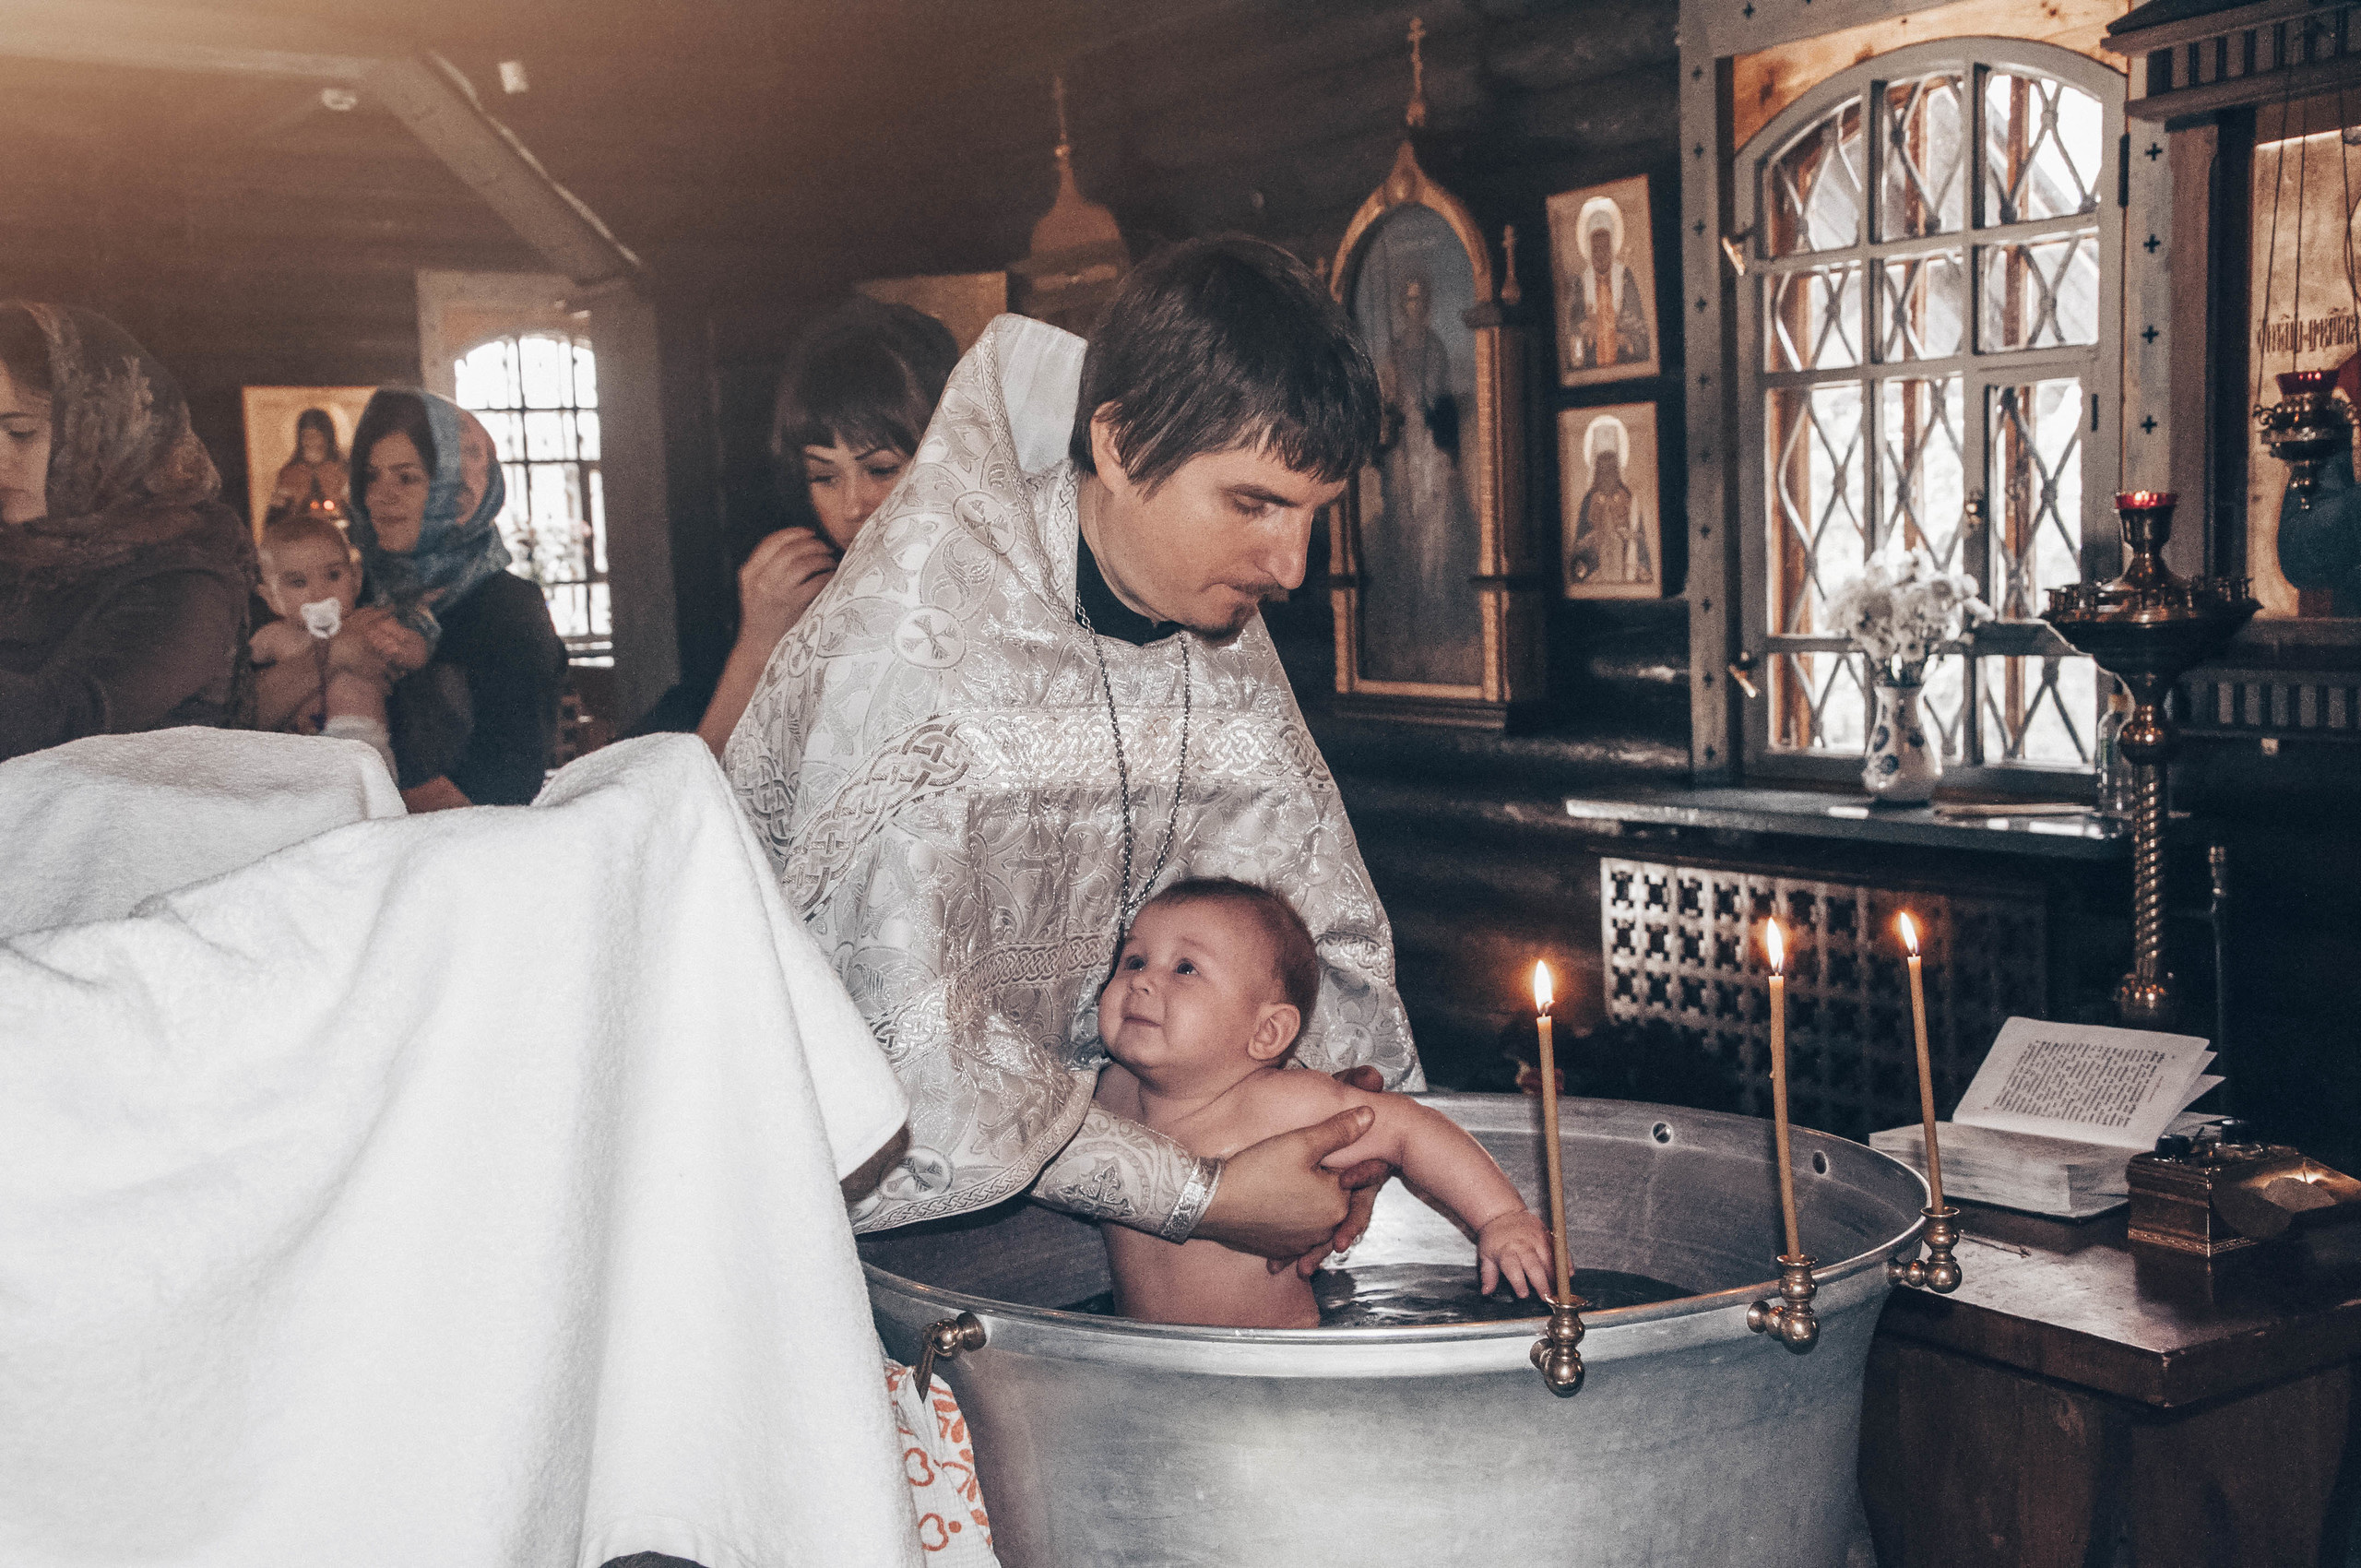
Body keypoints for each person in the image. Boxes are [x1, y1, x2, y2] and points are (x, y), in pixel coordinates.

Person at [727, 235, 1418, 1273]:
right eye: (1253, 504)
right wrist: (1201, 1192)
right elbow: (899, 1046)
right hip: (891, 1242)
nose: (1290, 566)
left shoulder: (1208, 606)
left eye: (1314, 514)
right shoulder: (916, 651)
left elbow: (1302, 896)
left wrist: (1339, 1124)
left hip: (1127, 1186)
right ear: (1123, 445)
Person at [1095, 880, 1550, 1327]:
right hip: (1143, 1357)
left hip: (1274, 1359)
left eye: (1185, 968)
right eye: (1134, 961)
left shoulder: (1276, 1104)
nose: (1142, 981)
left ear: (1267, 1032)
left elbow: (1411, 1129)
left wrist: (1500, 1216)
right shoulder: (1109, 1093)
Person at [690, 298, 958, 754]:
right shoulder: (797, 601)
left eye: (881, 470)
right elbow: (699, 781)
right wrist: (755, 647)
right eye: (824, 477)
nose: (853, 506)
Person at [0, 302, 256, 763]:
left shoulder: (186, 578)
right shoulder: (15, 549)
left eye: (20, 432)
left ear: (103, 431)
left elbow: (65, 720)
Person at [349, 388, 564, 809]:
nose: (379, 496)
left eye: (406, 478)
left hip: (456, 841)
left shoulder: (510, 609)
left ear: (461, 495)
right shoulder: (354, 593)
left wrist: (363, 806)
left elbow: (504, 780)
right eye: (372, 476)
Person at [1361, 268, 1481, 686]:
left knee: (1436, 530)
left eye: (1420, 300)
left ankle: (1436, 611)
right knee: (1403, 529)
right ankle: (1407, 617)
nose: (1415, 307)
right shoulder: (1391, 351)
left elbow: (1439, 397)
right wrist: (1393, 400)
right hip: (1401, 452)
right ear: (1403, 307)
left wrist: (1422, 402)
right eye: (1409, 301)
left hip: (1430, 448)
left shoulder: (1435, 347)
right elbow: (1385, 399)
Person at [247, 511, 396, 776]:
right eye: (298, 582)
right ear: (270, 598)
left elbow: (417, 653)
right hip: (302, 752)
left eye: (333, 575)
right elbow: (236, 675)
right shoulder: (276, 636)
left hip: (365, 744)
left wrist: (401, 648)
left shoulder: (367, 625)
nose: (320, 593)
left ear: (356, 578)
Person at [1563, 196, 1652, 372]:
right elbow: (1574, 328)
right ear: (1588, 248)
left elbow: (1638, 327)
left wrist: (1622, 337)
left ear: (1612, 247)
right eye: (1596, 248)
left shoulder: (1625, 276)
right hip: (1590, 362)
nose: (1600, 254)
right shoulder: (1580, 283)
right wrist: (1587, 329)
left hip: (1623, 359)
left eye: (1605, 247)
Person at [1567, 413, 1653, 588]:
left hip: (1625, 571)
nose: (1606, 470)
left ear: (1617, 465)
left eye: (1610, 463)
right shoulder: (1589, 500)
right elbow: (1580, 544)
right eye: (1602, 463)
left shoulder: (1628, 498)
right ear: (1596, 466)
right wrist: (1590, 540)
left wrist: (1630, 538)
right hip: (1595, 573)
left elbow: (1639, 536)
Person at [266, 408, 350, 526]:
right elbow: (274, 519)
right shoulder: (289, 473)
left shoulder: (342, 470)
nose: (310, 441)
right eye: (305, 436)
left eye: (316, 435)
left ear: (327, 438)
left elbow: (355, 512)